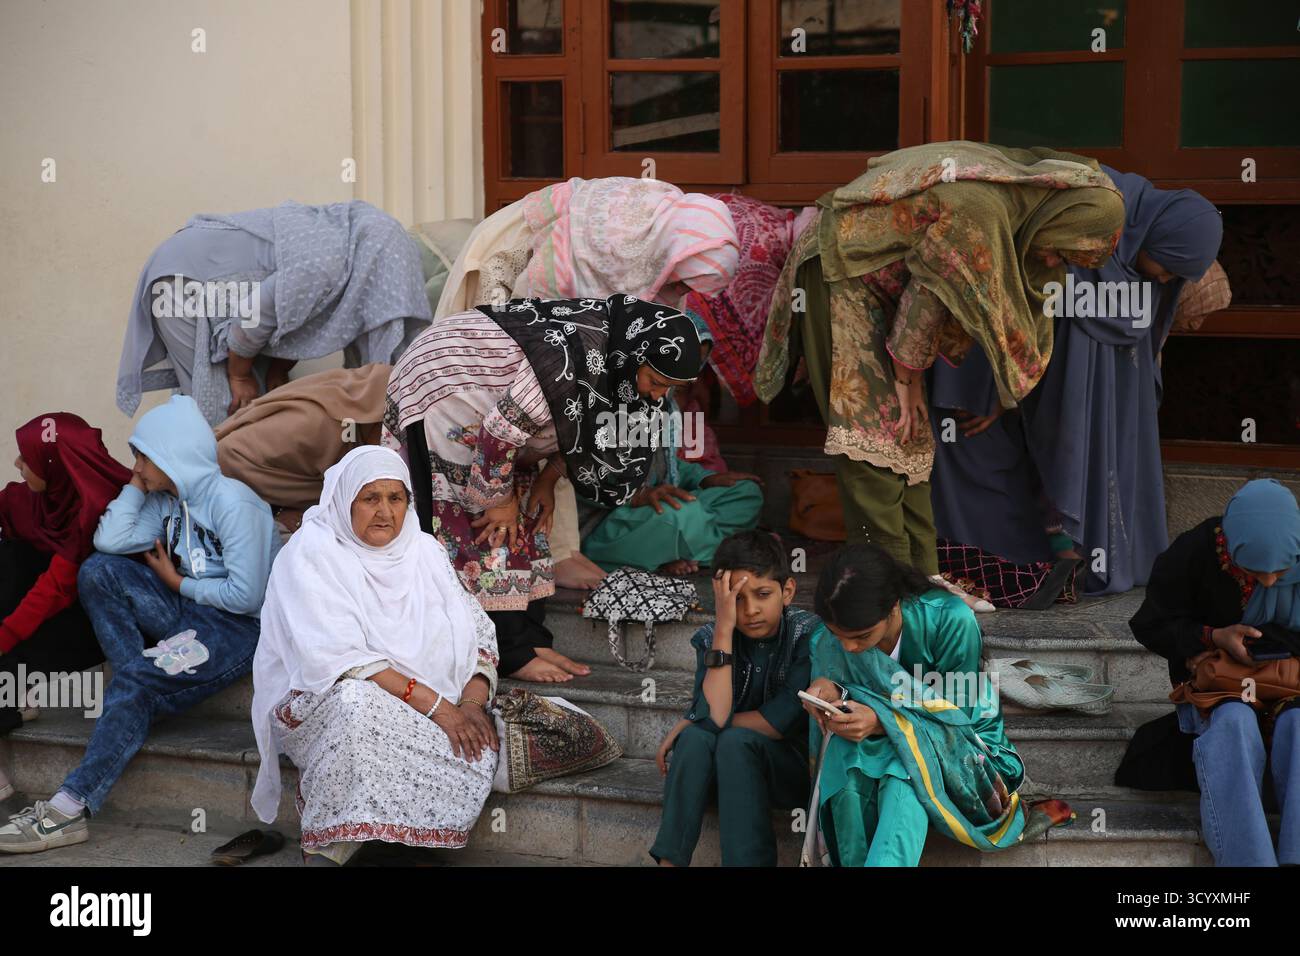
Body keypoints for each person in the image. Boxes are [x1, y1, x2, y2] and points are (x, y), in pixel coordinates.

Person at [755, 143, 1124, 606]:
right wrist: (907, 380)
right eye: (1061, 250)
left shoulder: (1012, 208)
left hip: (883, 288)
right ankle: (887, 591)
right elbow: (929, 293)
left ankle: (922, 578)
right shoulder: (981, 209)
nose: (1052, 263)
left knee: (910, 442)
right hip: (841, 272)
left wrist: (912, 379)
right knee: (873, 436)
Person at [0, 395, 280, 853]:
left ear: (173, 454)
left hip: (233, 630)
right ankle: (134, 693)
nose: (136, 467)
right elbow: (108, 540)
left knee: (136, 680)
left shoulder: (235, 505)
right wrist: (137, 482)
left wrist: (177, 582)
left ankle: (69, 809)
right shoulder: (165, 498)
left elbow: (246, 597)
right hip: (183, 612)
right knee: (99, 572)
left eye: (142, 456)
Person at [930, 167, 1223, 598]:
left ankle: (1037, 572)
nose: (1162, 282)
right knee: (979, 462)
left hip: (1017, 372)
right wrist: (990, 387)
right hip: (971, 359)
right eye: (1166, 268)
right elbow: (995, 291)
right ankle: (990, 573)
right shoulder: (1087, 220)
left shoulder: (1135, 252)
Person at [386, 294, 704, 683]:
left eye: (669, 388)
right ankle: (505, 651)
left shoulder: (616, 360)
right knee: (486, 526)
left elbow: (581, 430)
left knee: (526, 519)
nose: (657, 396)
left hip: (497, 413)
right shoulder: (570, 357)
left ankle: (529, 638)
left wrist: (548, 480)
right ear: (634, 355)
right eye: (655, 383)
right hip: (448, 385)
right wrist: (498, 498)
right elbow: (501, 428)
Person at [251, 446, 500, 866]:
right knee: (356, 706)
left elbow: (479, 636)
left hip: (433, 709)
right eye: (370, 498)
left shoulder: (425, 552)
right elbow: (341, 658)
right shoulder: (312, 552)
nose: (385, 511)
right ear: (345, 500)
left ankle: (408, 836)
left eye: (395, 498)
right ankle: (334, 845)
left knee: (474, 746)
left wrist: (473, 704)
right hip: (329, 703)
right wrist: (440, 708)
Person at [800, 544, 1069, 866]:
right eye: (837, 635)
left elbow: (958, 714)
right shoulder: (825, 640)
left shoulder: (948, 620)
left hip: (966, 748)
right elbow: (842, 694)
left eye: (861, 636)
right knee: (850, 757)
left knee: (908, 766)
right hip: (870, 748)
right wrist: (828, 693)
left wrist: (882, 720)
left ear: (894, 606)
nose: (848, 647)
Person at [115, 200, 432, 427]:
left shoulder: (350, 249)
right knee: (222, 417)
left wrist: (278, 370)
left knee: (257, 417)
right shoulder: (326, 263)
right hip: (185, 282)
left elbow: (304, 317)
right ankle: (208, 517)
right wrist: (239, 375)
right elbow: (255, 315)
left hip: (219, 289)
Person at [1125, 479, 1300, 866]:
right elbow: (1151, 625)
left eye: (1281, 570)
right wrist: (1212, 636)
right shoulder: (1193, 553)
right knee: (1233, 723)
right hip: (1221, 690)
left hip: (1290, 687)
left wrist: (1271, 648)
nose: (1269, 582)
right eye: (1254, 569)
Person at [649, 531, 818, 866]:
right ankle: (669, 862)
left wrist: (693, 721)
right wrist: (724, 631)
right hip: (727, 772)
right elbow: (713, 716)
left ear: (787, 592)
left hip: (791, 772)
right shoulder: (714, 638)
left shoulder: (808, 635)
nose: (751, 610)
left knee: (726, 739)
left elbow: (778, 722)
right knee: (698, 739)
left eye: (762, 594)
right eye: (737, 599)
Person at [0, 415, 131, 798]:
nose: (18, 464)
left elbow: (55, 589)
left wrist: (3, 636)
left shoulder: (98, 509)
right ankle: (16, 707)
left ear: (54, 466)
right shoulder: (40, 498)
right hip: (48, 607)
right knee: (8, 554)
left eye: (28, 459)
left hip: (92, 623)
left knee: (7, 662)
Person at [581, 313, 764, 576]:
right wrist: (634, 495)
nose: (692, 367)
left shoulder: (661, 399)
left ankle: (677, 548)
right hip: (607, 519)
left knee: (745, 493)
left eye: (697, 361)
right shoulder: (607, 395)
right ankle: (704, 550)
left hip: (659, 503)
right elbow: (576, 474)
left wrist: (704, 480)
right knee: (682, 514)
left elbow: (663, 465)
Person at [215, 363, 392, 534]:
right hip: (227, 498)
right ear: (376, 416)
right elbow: (227, 454)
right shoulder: (314, 424)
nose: (392, 448)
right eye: (391, 436)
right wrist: (274, 509)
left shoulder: (355, 417)